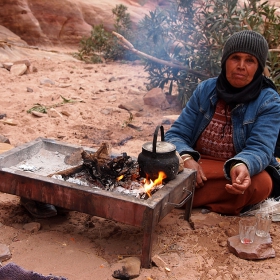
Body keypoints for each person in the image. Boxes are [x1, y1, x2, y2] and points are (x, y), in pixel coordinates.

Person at [165, 30, 280, 216]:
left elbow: (261, 149)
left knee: (261, 184)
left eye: (250, 61)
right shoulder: (205, 90)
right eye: (235, 58)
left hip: (239, 170)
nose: (241, 66)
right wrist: (187, 158)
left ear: (258, 67)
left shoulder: (269, 101)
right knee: (157, 164)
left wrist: (242, 165)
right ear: (225, 61)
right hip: (200, 164)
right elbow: (176, 134)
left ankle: (177, 196)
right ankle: (216, 201)